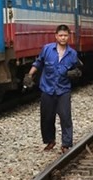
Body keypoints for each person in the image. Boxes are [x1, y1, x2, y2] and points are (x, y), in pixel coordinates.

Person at [23, 24, 82, 153]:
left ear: (69, 36)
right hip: (47, 88)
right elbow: (38, 63)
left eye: (65, 35)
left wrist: (75, 73)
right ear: (56, 36)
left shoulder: (72, 54)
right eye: (60, 35)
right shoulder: (47, 49)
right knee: (47, 117)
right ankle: (50, 141)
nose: (63, 38)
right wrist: (30, 75)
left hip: (63, 90)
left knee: (65, 117)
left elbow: (78, 70)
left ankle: (66, 144)